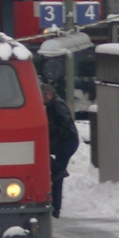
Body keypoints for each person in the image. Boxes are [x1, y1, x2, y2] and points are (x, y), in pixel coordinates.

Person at [41, 83, 79, 218]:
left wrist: (55, 138)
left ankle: (56, 207)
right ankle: (55, 207)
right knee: (56, 175)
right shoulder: (53, 105)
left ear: (49, 95)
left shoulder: (57, 105)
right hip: (65, 142)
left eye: (42, 97)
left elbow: (65, 121)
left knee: (53, 169)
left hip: (66, 143)